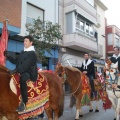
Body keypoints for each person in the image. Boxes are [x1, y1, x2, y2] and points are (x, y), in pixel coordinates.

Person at [4, 35, 38, 112]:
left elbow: (25, 66)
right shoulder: (23, 52)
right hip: (21, 70)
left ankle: (24, 103)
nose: (24, 42)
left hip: (29, 73)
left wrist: (15, 70)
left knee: (23, 79)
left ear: (31, 43)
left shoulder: (32, 54)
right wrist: (8, 56)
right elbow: (16, 61)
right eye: (24, 41)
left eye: (26, 41)